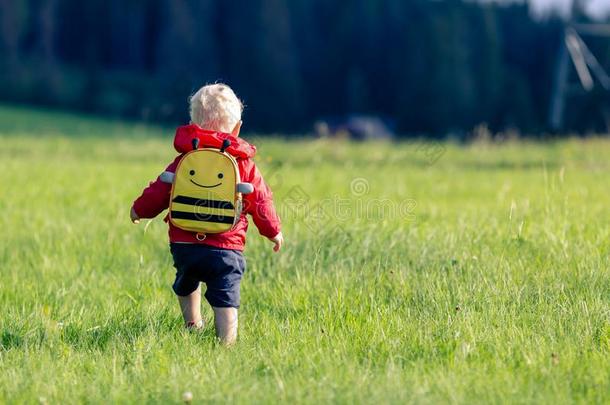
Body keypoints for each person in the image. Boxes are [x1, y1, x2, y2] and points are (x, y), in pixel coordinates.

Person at [130, 84, 283, 345]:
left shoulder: (186, 158)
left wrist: (139, 209)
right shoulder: (243, 163)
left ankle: (193, 323)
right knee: (225, 294)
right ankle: (226, 344)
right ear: (237, 128)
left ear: (193, 124)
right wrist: (274, 231)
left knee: (187, 282)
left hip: (185, 245)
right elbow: (261, 200)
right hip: (225, 246)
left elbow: (161, 189)